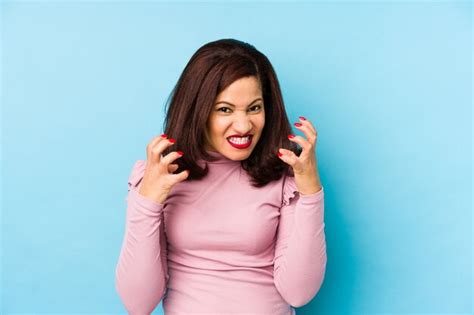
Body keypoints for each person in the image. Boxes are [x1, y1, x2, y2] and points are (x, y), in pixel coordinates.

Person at [114, 38, 326, 315]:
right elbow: (137, 303)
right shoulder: (160, 176)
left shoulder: (285, 177)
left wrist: (311, 191)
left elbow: (299, 293)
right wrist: (148, 201)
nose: (243, 125)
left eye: (254, 108)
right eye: (224, 109)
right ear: (197, 111)